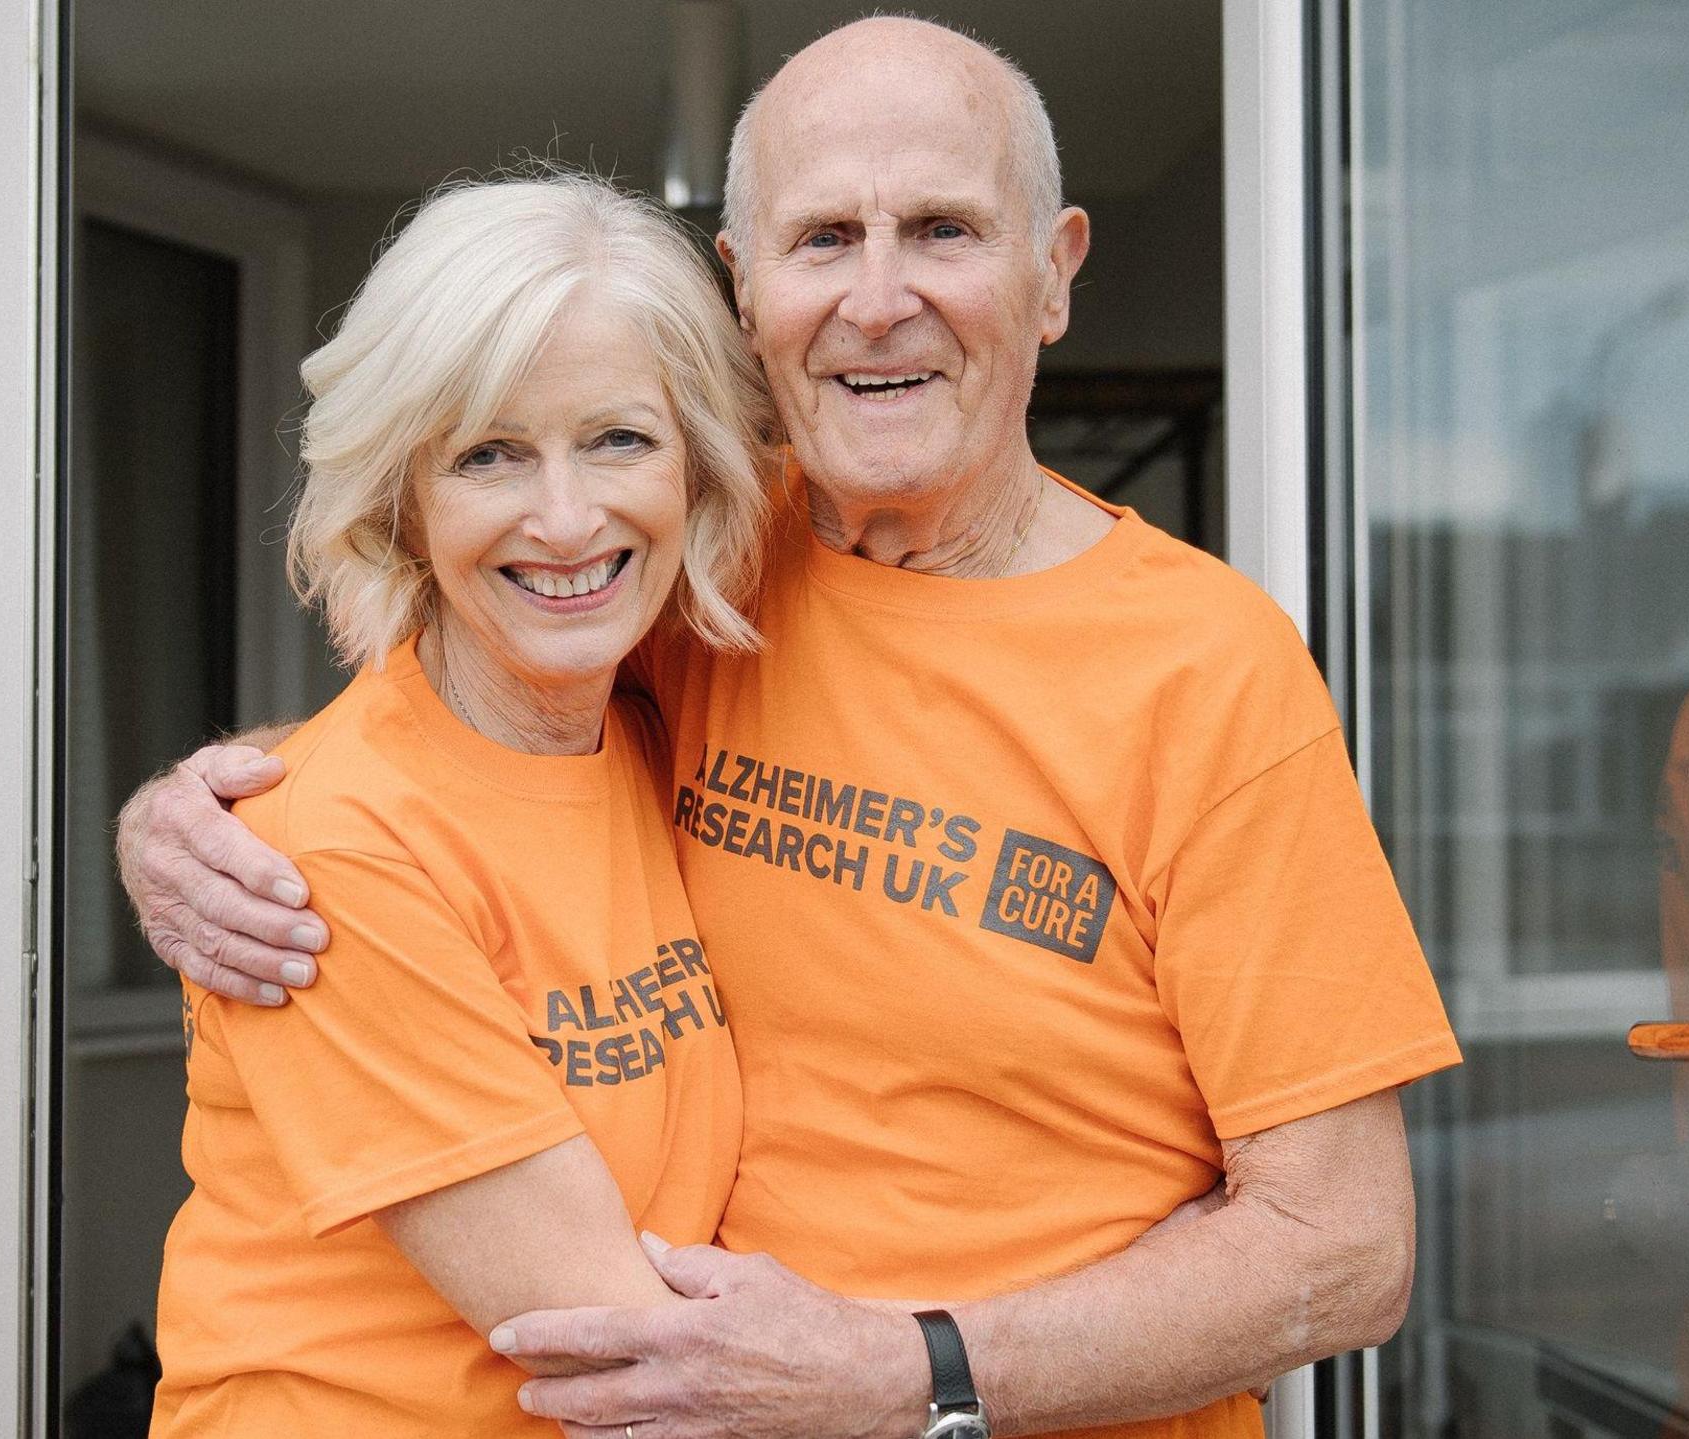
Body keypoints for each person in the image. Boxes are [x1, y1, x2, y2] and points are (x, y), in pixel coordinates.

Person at [123, 19, 1463, 1437]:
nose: (879, 300)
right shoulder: (688, 561)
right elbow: (452, 732)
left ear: (1055, 273)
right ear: (745, 286)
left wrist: (919, 1369)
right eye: (825, 239)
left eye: (941, 229)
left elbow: (1345, 1247)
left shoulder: (1208, 667)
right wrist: (203, 819)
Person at [146, 174, 773, 1436]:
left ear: (695, 470)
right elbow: (622, 1356)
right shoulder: (326, 848)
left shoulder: (652, 738)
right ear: (402, 502)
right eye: (490, 453)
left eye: (619, 439)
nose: (564, 517)